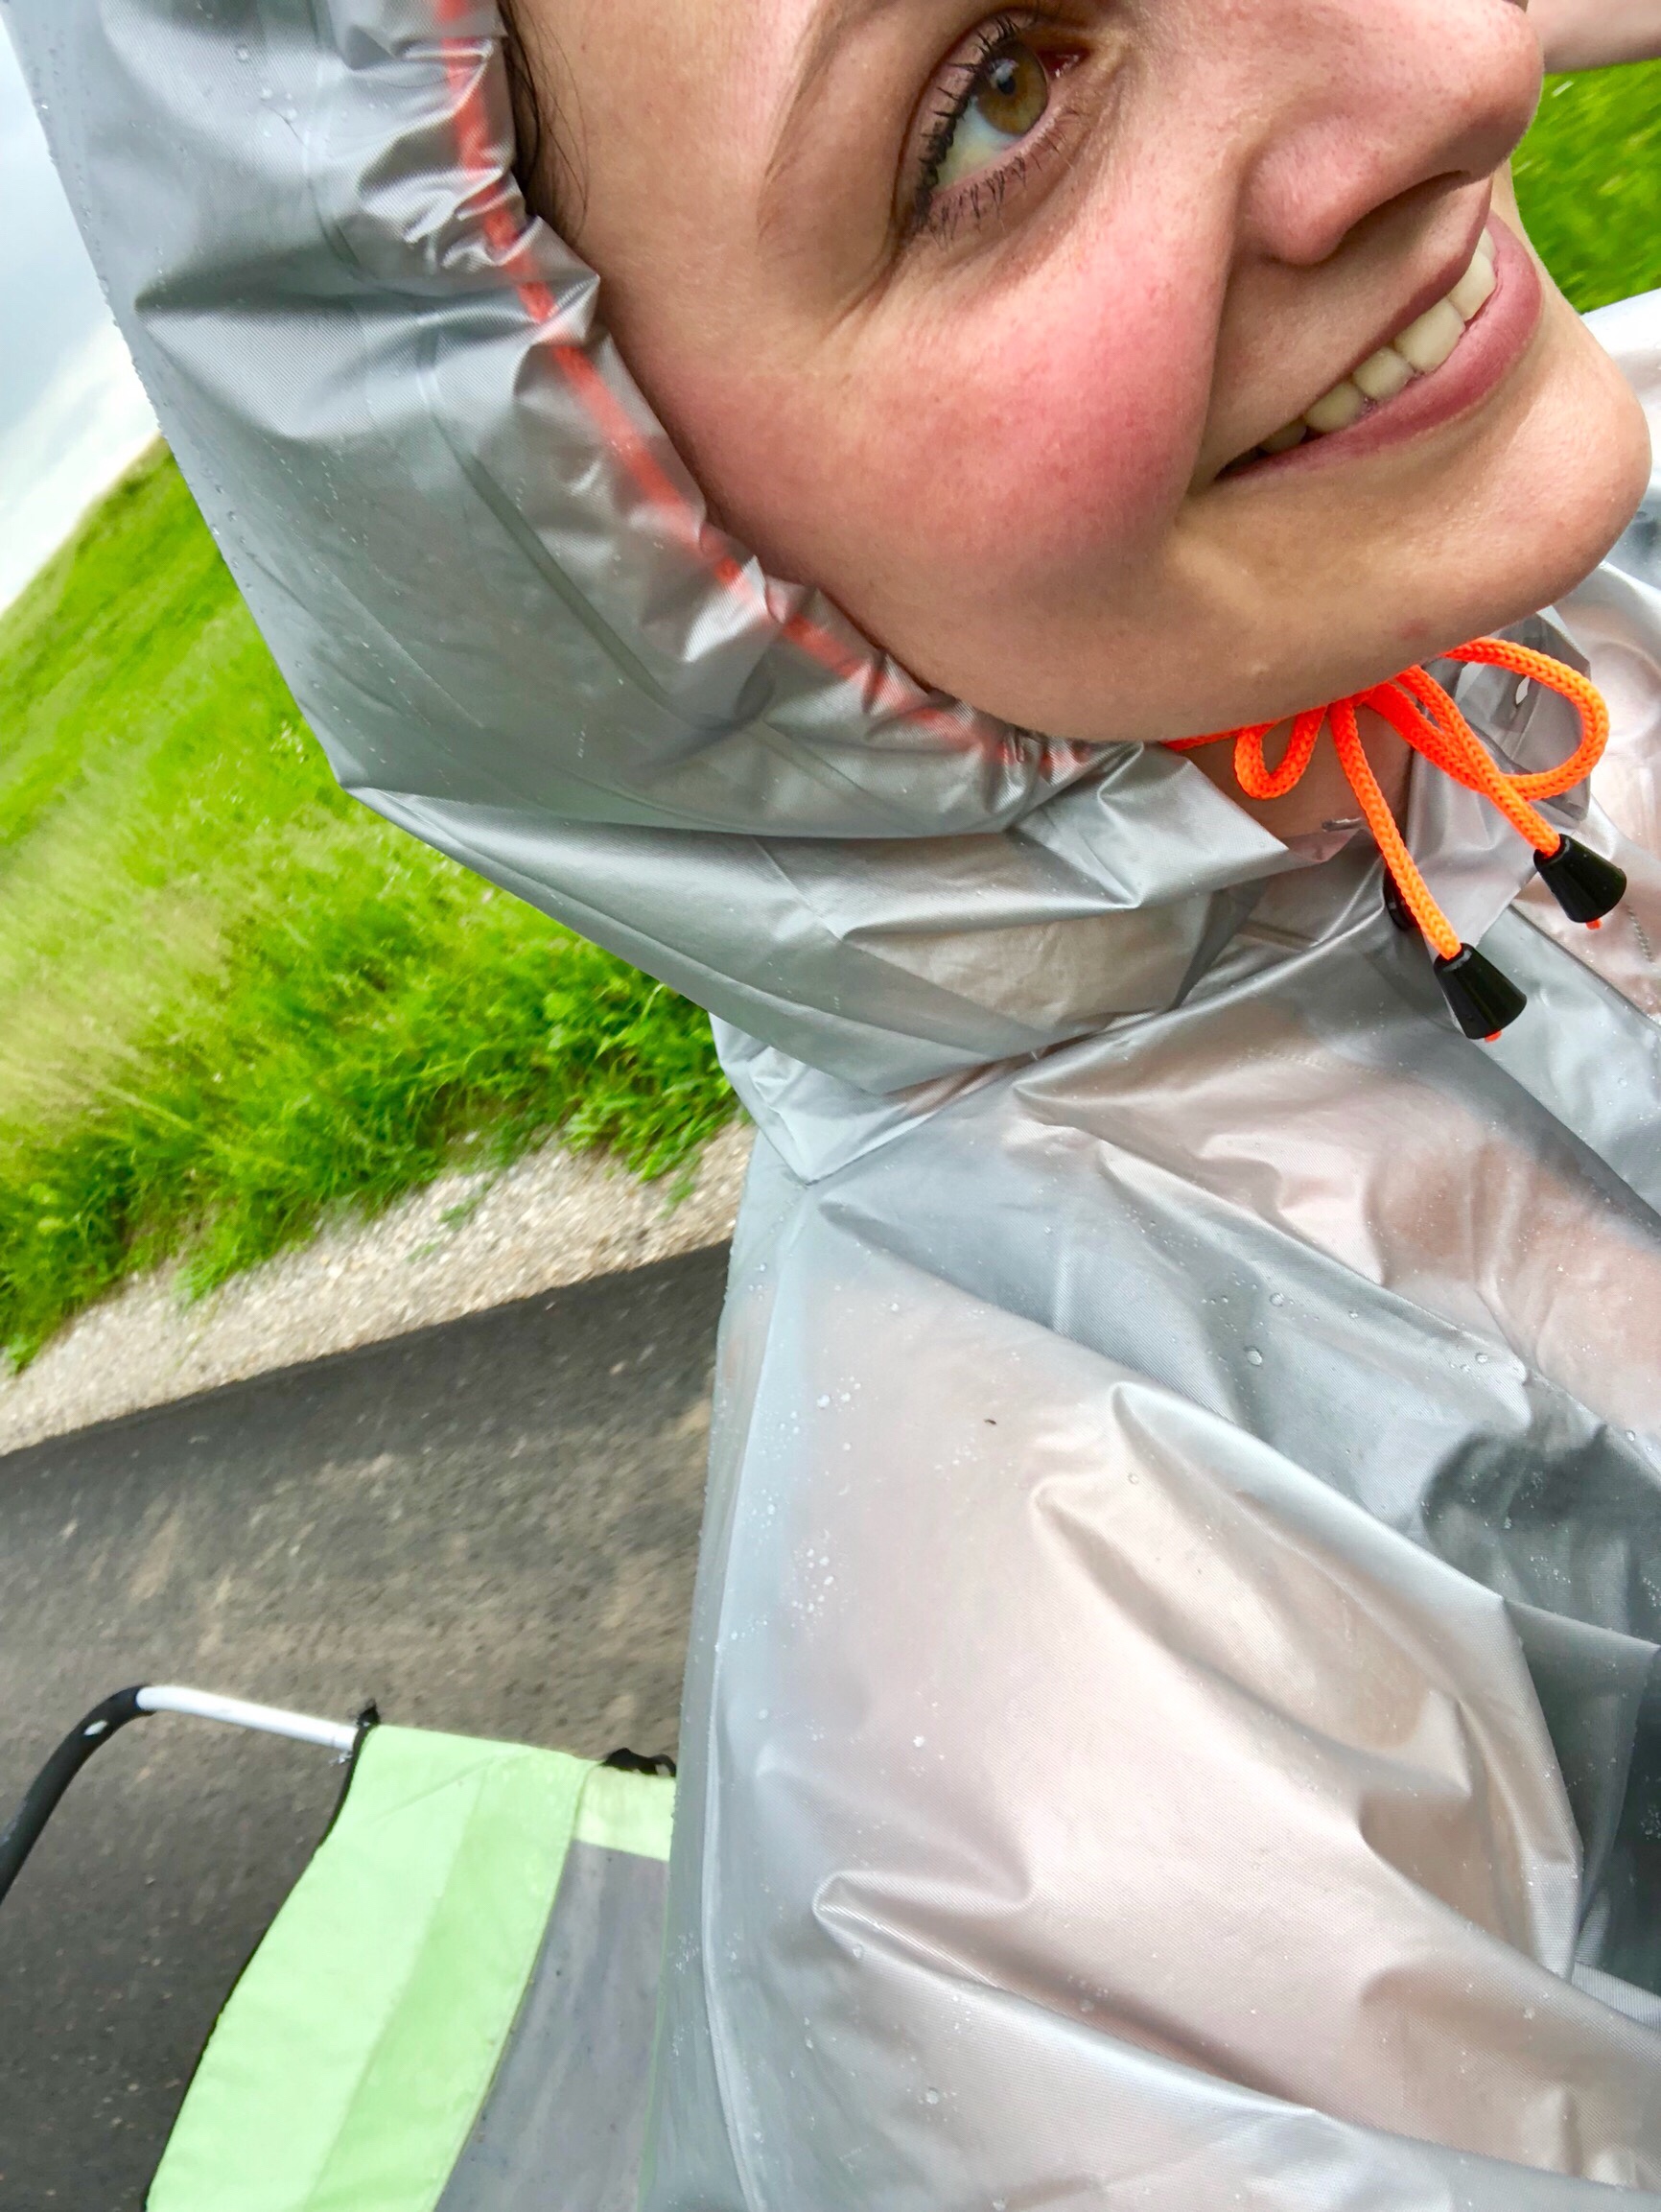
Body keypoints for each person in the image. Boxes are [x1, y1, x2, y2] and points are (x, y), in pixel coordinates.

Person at [10, 0, 1661, 2201]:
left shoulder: (1504, 586)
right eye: (996, 96)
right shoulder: (1036, 1953)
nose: (1454, 65)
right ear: (623, 556)